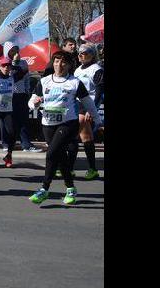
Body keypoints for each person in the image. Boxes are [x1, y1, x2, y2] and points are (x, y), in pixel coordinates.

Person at [28, 50, 96, 206]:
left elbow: (88, 102)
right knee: (60, 157)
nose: (59, 65)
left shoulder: (74, 82)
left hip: (68, 123)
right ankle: (71, 188)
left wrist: (97, 118)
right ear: (53, 63)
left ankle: (44, 189)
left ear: (69, 64)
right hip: (48, 123)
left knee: (51, 153)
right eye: (57, 61)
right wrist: (35, 103)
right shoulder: (44, 81)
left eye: (63, 62)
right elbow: (31, 101)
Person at [73, 44, 104, 180]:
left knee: (75, 134)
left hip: (88, 104)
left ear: (91, 55)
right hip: (75, 104)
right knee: (85, 137)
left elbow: (98, 92)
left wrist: (92, 110)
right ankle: (92, 168)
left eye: (84, 53)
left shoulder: (97, 70)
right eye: (79, 53)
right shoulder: (78, 69)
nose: (80, 55)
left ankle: (68, 168)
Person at [4, 44, 42, 153]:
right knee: (8, 120)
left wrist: (27, 91)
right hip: (9, 95)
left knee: (23, 120)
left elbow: (25, 77)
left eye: (16, 50)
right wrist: (15, 63)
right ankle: (6, 143)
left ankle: (26, 144)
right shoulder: (5, 63)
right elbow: (12, 78)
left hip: (22, 94)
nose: (15, 53)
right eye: (12, 51)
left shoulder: (24, 62)